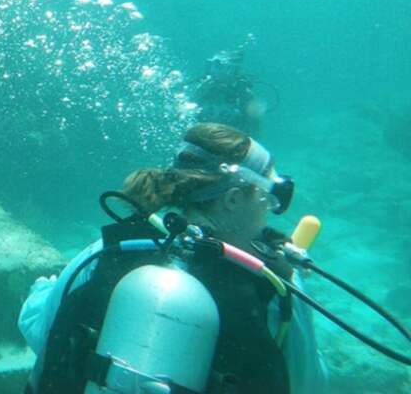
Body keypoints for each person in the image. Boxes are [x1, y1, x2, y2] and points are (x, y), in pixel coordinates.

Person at [18, 123, 326, 394]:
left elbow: (42, 332)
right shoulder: (274, 289)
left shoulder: (110, 251)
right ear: (232, 200)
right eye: (265, 200)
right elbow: (308, 385)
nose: (267, 217)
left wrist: (42, 290)